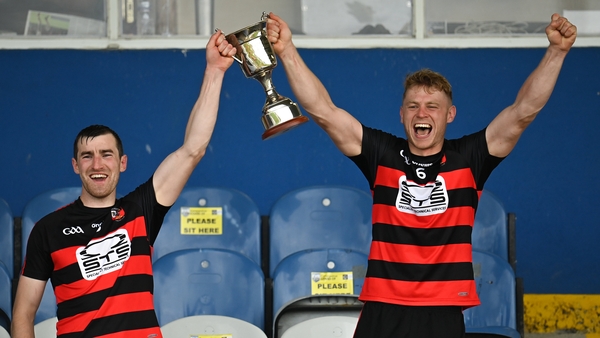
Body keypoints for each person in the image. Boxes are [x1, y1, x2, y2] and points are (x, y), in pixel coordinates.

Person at [266, 12, 577, 338]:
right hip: (382, 309)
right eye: (413, 105)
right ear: (402, 115)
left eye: (433, 106)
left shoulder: (469, 159)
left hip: (442, 311)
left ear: (450, 115)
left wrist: (556, 52)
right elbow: (324, 111)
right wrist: (287, 50)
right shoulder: (382, 156)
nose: (422, 113)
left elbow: (522, 112)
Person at [11, 30, 237, 338]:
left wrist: (214, 71)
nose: (97, 164)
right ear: (76, 166)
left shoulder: (141, 211)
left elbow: (193, 148)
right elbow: (23, 315)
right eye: (87, 157)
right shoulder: (48, 230)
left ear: (122, 163)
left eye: (106, 155)